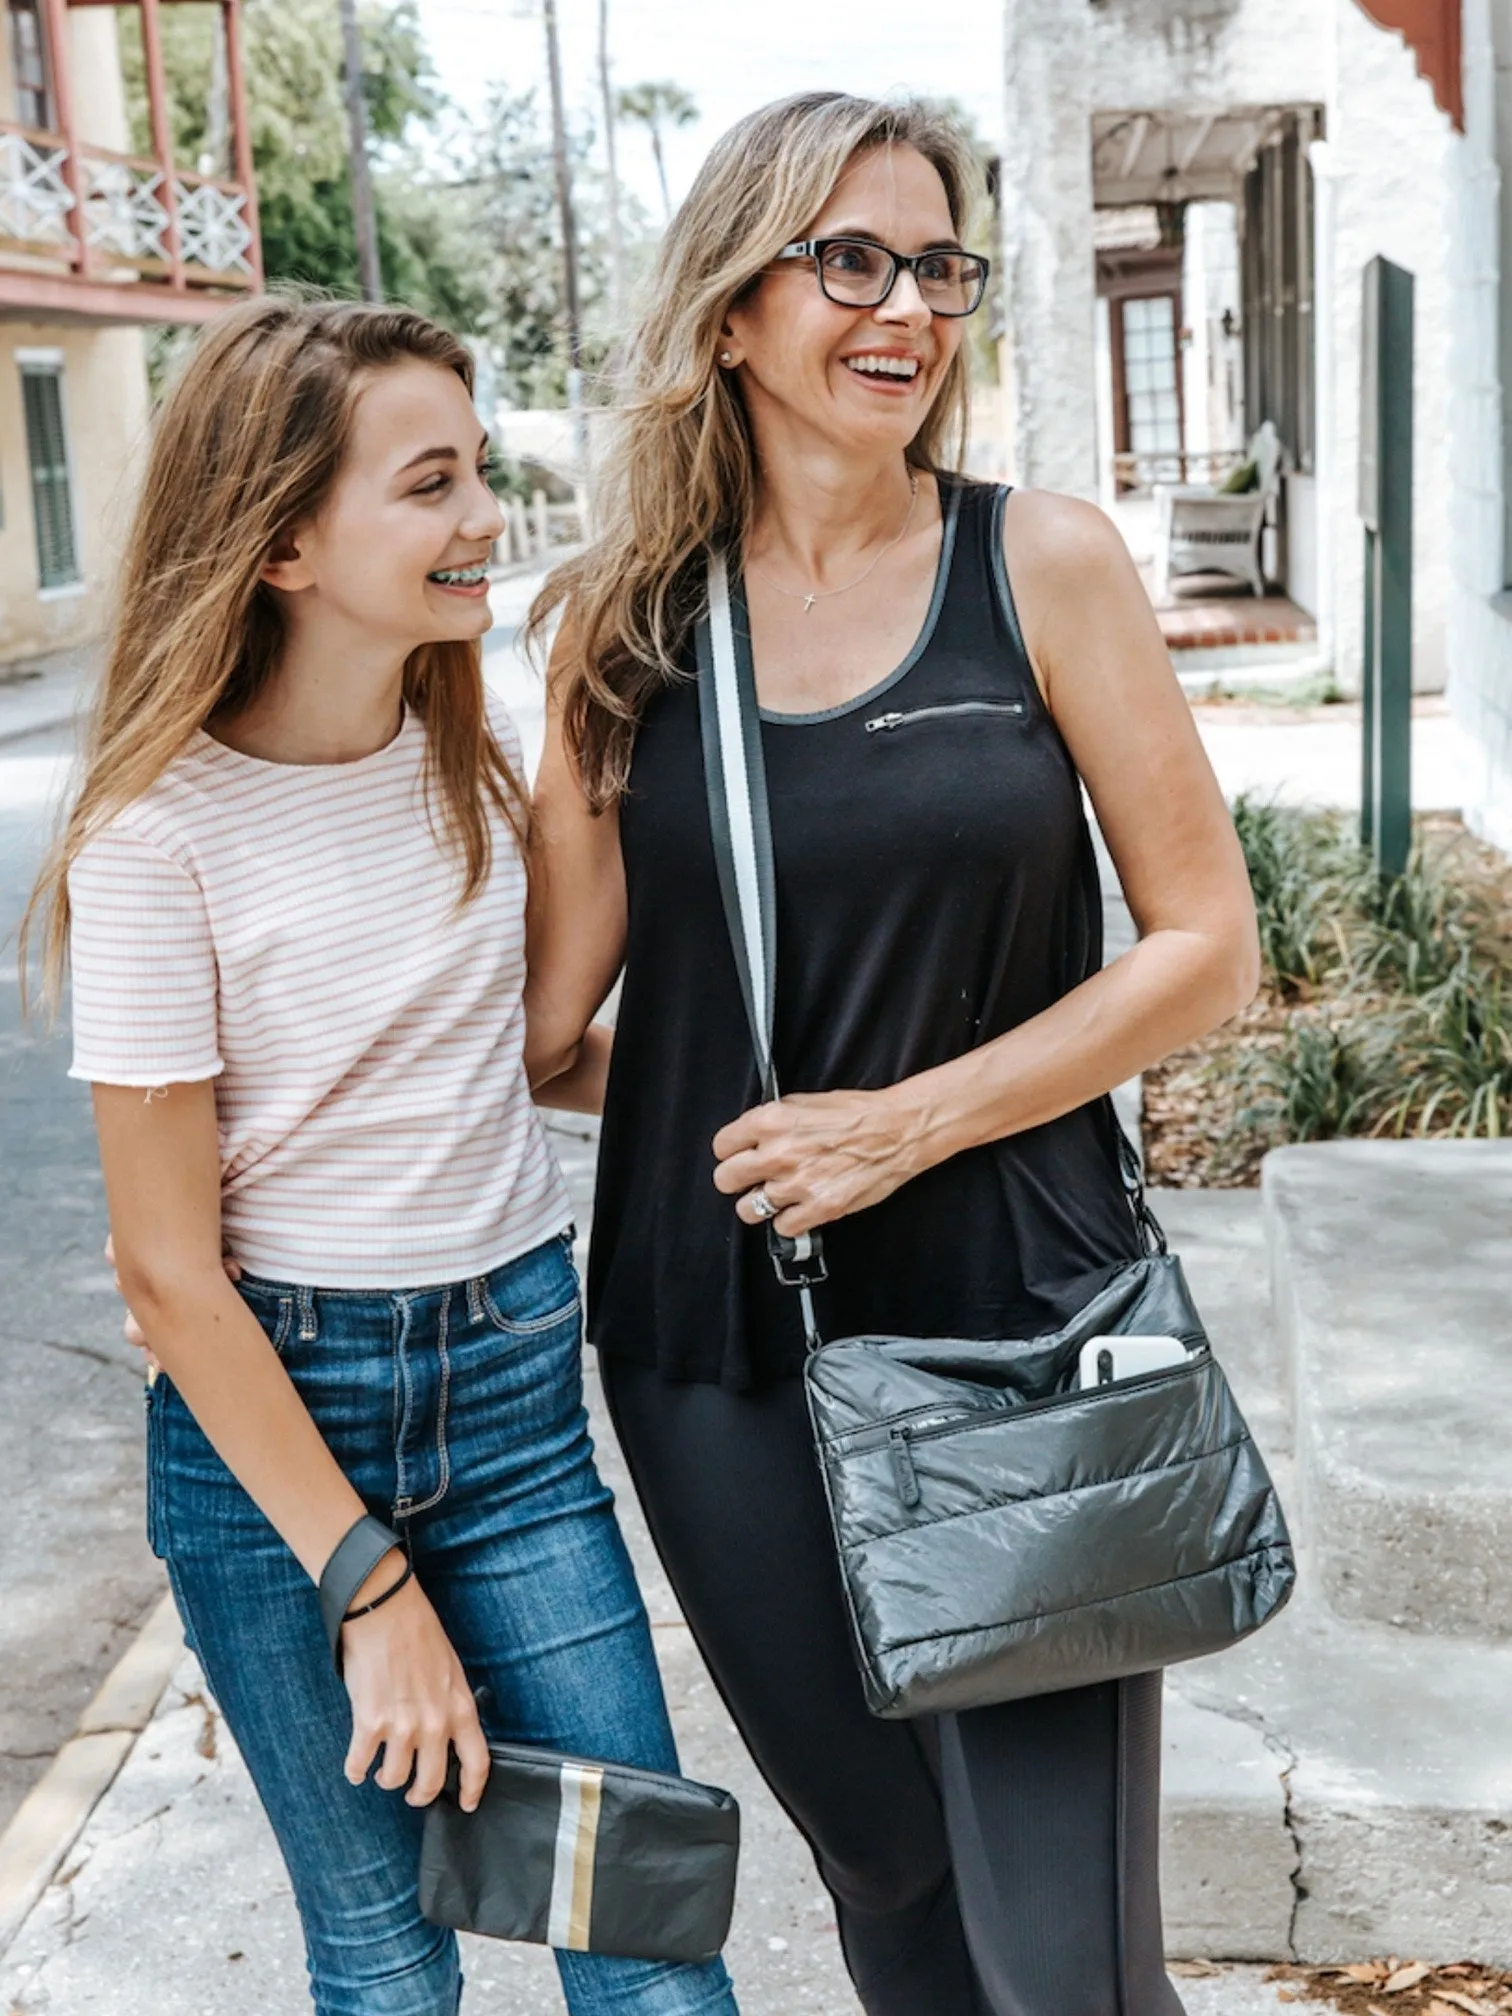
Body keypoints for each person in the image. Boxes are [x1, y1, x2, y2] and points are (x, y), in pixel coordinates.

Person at [525, 93, 1261, 2016]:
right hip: (717, 1347)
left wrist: (905, 1123)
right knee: (892, 1884)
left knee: (1061, 1946)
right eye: (849, 258)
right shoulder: (627, 628)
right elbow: (554, 1028)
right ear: (729, 315)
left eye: (938, 265)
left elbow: (1206, 952)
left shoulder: (1045, 566)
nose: (907, 306)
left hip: (1017, 1315)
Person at [23, 297, 738, 2016]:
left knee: (642, 1935)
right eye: (431, 484)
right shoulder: (154, 832)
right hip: (278, 1441)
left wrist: (757, 1117)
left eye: (477, 473)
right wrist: (368, 1588)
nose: (484, 516)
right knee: (388, 1967)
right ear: (282, 541)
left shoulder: (477, 755)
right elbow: (164, 1273)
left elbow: (531, 1049)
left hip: (506, 1400)